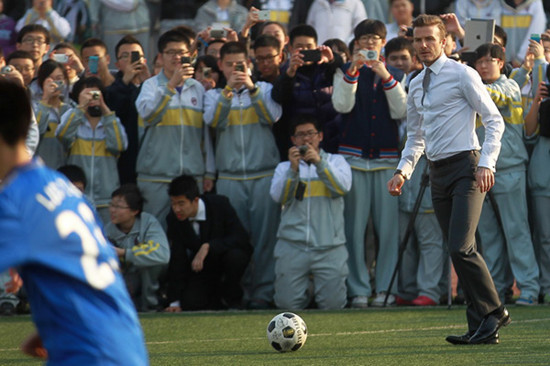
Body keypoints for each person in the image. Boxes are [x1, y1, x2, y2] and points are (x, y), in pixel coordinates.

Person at [0, 77, 148, 365]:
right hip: (120, 343)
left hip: (90, 354)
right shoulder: (60, 186)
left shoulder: (15, 201)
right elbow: (96, 263)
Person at [387, 14, 509, 345]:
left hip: (467, 168)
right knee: (457, 251)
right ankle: (480, 325)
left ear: (444, 42)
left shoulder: (462, 74)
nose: (423, 45)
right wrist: (403, 171)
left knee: (461, 245)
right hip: (436, 171)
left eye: (430, 39)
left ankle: (494, 311)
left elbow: (494, 120)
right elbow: (415, 137)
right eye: (418, 39)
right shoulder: (414, 83)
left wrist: (487, 163)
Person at [331, 19, 407, 308]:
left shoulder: (396, 72)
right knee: (354, 230)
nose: (370, 43)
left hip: (387, 162)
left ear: (383, 42)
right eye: (365, 39)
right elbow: (341, 105)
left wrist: (384, 74)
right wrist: (352, 70)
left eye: (375, 38)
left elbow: (401, 110)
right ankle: (358, 289)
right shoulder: (345, 71)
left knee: (388, 232)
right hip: (353, 160)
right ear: (357, 42)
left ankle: (385, 289)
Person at [203, 41, 282, 309]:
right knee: (236, 241)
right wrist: (228, 92)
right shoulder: (214, 95)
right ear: (221, 66)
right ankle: (238, 294)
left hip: (263, 175)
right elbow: (213, 121)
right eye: (230, 65)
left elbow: (272, 116)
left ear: (248, 64)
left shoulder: (265, 89)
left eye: (241, 64)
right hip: (230, 178)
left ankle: (262, 293)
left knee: (264, 240)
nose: (236, 69)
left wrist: (251, 88)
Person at [270, 114, 351, 309]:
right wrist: (293, 170)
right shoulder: (283, 168)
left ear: (320, 136)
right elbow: (278, 197)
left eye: (311, 134)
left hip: (329, 247)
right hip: (292, 246)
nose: (306, 139)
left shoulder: (337, 162)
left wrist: (319, 164)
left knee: (334, 306)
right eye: (300, 135)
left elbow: (342, 188)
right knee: (286, 306)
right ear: (292, 140)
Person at [135, 29, 214, 227]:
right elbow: (149, 115)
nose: (177, 57)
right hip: (156, 176)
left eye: (181, 52)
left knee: (191, 234)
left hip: (191, 176)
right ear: (160, 57)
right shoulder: (150, 86)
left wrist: (209, 172)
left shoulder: (197, 88)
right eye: (171, 53)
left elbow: (205, 134)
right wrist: (170, 86)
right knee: (156, 230)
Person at [164, 175, 252, 311]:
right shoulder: (174, 219)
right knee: (191, 302)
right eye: (173, 203)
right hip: (201, 268)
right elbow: (177, 257)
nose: (176, 209)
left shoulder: (220, 204)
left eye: (181, 203)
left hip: (226, 258)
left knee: (236, 257)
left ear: (195, 200)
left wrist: (209, 246)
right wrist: (174, 302)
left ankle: (234, 299)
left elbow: (240, 237)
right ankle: (216, 300)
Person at [56, 76, 128, 224]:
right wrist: (80, 108)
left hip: (106, 198)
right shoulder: (72, 118)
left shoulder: (111, 121)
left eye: (95, 94)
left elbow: (120, 145)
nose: (91, 98)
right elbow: (62, 136)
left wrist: (106, 111)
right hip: (77, 196)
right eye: (87, 94)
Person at [271, 24, 342, 159]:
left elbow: (345, 69)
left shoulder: (326, 68)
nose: (304, 51)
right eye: (299, 47)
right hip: (299, 144)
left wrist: (332, 60)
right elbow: (277, 97)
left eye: (309, 47)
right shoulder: (284, 70)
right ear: (290, 48)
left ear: (316, 46)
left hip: (330, 140)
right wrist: (290, 73)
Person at [104, 184, 170, 312]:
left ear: (135, 211)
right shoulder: (107, 231)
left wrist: (124, 253)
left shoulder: (148, 223)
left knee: (149, 262)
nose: (112, 210)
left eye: (118, 207)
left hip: (152, 279)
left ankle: (152, 305)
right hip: (127, 278)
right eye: (111, 205)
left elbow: (162, 254)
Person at [106, 35, 151, 185]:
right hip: (124, 161)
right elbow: (114, 110)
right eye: (125, 56)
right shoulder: (112, 90)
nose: (131, 60)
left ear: (144, 60)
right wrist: (125, 82)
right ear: (117, 64)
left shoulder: (153, 85)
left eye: (136, 55)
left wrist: (148, 83)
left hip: (151, 160)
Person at [525, 74, 550, 305]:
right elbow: (530, 130)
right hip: (544, 171)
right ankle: (547, 285)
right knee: (544, 235)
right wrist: (536, 101)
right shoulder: (543, 97)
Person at [88, 0, 150, 69]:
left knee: (141, 62)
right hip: (113, 27)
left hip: (141, 25)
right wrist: (94, 20)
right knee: (115, 62)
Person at [33, 59, 72, 169]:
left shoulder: (71, 109)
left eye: (59, 79)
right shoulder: (34, 107)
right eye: (50, 79)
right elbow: (36, 132)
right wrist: (45, 99)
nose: (55, 83)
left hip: (67, 174)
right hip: (43, 170)